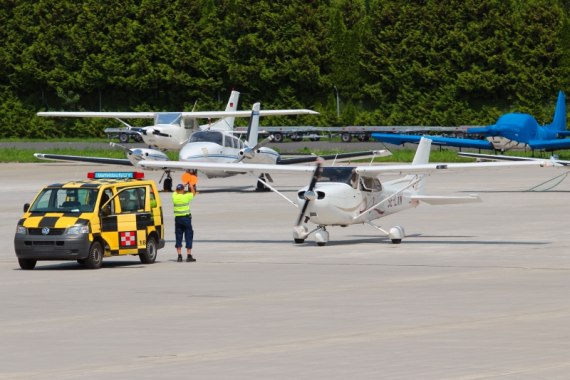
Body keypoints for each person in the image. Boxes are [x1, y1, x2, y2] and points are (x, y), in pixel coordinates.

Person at [172, 182, 196, 262]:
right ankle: (189, 255)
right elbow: (193, 193)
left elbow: (175, 192)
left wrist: (183, 186)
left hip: (178, 219)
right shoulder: (186, 197)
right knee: (188, 235)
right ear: (182, 190)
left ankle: (179, 256)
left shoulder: (174, 197)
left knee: (178, 237)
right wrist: (191, 186)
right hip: (186, 219)